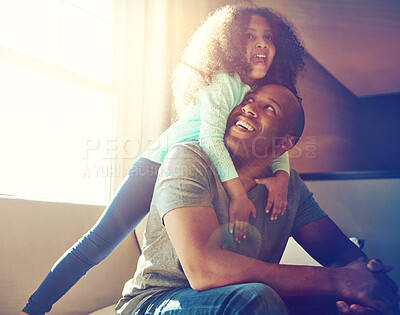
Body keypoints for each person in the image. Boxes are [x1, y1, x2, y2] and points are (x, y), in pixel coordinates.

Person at [22, 4, 306, 314]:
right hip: (156, 166)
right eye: (249, 36)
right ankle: (34, 308)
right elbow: (211, 139)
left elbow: (277, 143)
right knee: (97, 243)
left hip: (194, 172)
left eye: (268, 37)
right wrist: (237, 192)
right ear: (231, 44)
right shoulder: (225, 83)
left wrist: (281, 176)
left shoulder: (260, 93)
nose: (261, 44)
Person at [116, 84, 399, 315]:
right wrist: (338, 280)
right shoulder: (188, 158)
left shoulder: (290, 188)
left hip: (246, 300)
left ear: (286, 143)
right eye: (248, 100)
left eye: (268, 108)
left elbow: (340, 253)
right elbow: (203, 269)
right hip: (155, 301)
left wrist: (369, 287)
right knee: (255, 299)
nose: (249, 107)